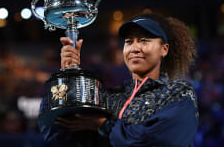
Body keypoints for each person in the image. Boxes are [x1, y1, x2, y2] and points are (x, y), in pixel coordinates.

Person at [39, 13, 199, 147]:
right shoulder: (111, 98)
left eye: (144, 40)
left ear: (164, 49)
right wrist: (68, 78)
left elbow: (160, 140)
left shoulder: (178, 93)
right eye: (129, 42)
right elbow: (58, 135)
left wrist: (103, 125)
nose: (135, 48)